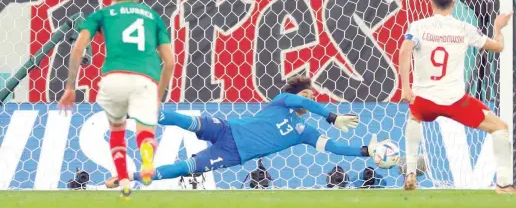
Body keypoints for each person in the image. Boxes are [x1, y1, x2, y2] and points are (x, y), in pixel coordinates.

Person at [104, 75, 388, 188]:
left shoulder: (304, 131)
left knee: (186, 167)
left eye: (314, 98)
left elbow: (334, 147)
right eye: (310, 95)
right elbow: (301, 101)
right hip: (228, 129)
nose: (313, 100)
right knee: (187, 120)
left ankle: (126, 176)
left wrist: (365, 151)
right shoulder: (283, 101)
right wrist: (332, 116)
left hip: (233, 153)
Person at [399, 0, 516, 194]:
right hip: (455, 101)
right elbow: (497, 47)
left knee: (414, 118)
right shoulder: (464, 28)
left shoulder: (418, 26)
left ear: (431, 3)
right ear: (454, 4)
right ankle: (504, 185)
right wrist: (498, 27)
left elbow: (405, 51)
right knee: (500, 127)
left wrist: (406, 87)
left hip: (423, 100)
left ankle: (410, 171)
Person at [59, 0, 175, 200]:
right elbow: (170, 62)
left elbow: (77, 49)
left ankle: (123, 181)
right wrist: (158, 96)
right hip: (146, 79)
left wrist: (70, 87)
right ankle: (147, 160)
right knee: (145, 132)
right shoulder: (152, 16)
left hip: (113, 79)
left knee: (117, 131)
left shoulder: (102, 14)